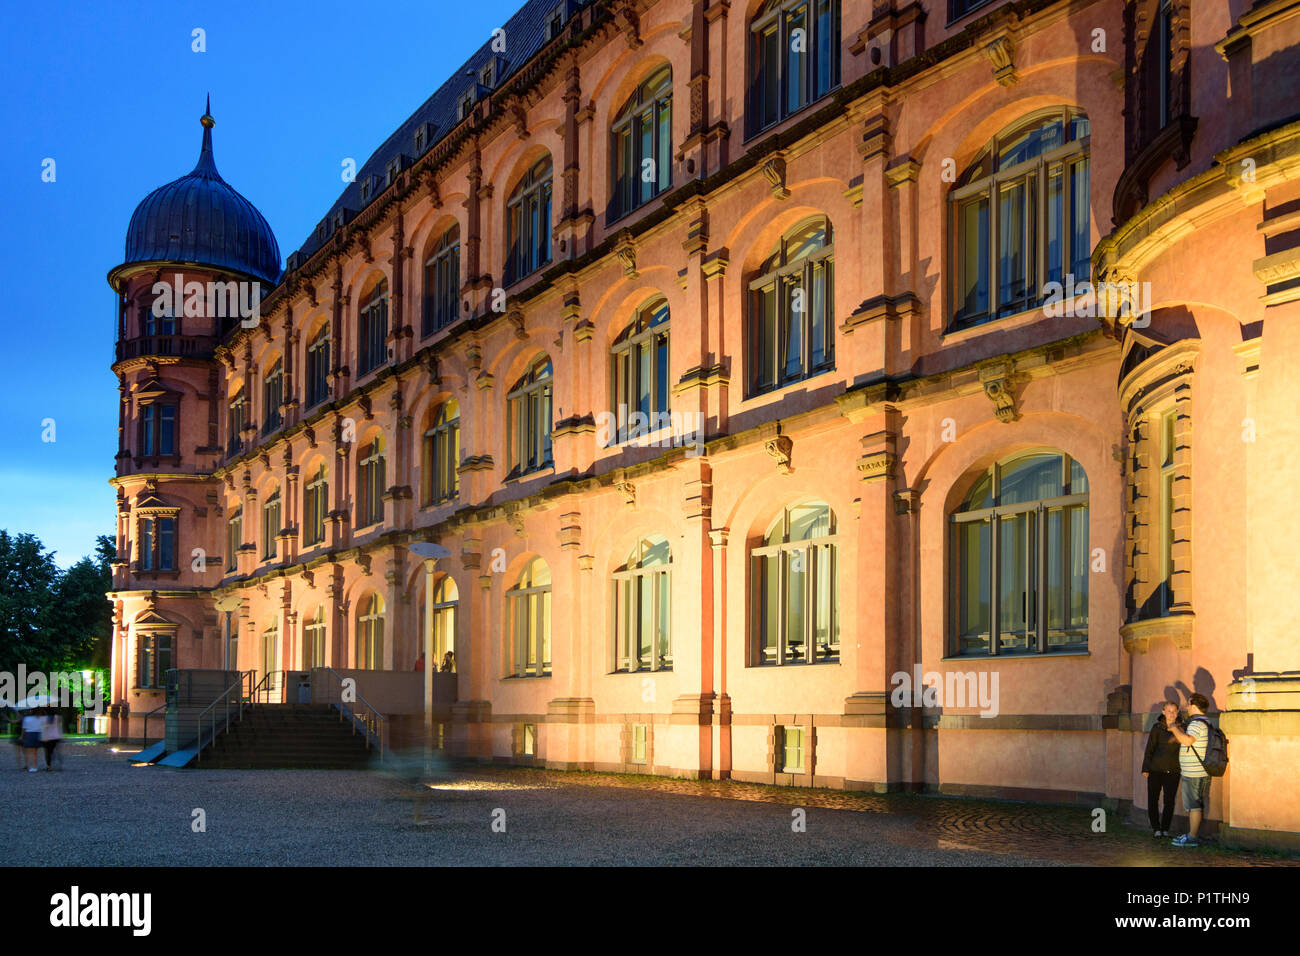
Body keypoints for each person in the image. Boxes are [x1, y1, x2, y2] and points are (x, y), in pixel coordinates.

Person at [1168, 693, 1212, 847]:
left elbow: (1187, 741)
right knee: (1195, 804)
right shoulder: (1203, 722)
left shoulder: (1197, 724)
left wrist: (1174, 728)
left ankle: (1192, 837)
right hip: (1197, 771)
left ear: (1194, 706)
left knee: (1193, 805)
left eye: (1188, 704)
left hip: (1194, 773)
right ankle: (1191, 834)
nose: (1186, 707)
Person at [1141, 701, 1182, 837]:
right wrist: (1145, 768)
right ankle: (1156, 828)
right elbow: (1150, 748)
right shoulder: (1157, 728)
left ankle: (1165, 828)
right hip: (1155, 770)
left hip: (1173, 770)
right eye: (1168, 711)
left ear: (1177, 712)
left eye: (1174, 711)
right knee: (1153, 799)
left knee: (1169, 801)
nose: (1171, 714)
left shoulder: (1181, 728)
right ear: (1163, 712)